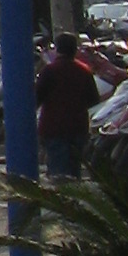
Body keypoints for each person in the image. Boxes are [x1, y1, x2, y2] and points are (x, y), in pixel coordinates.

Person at [34, 32, 97, 179]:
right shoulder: (84, 71)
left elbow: (37, 98)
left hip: (54, 127)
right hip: (78, 127)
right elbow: (93, 99)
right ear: (75, 50)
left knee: (58, 174)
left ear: (57, 49)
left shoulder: (50, 71)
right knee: (74, 171)